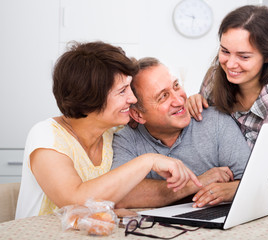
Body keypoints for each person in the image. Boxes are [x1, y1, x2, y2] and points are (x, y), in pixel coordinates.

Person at [15, 42, 201, 219]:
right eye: (122, 91)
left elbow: (158, 111)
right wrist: (148, 161)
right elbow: (74, 201)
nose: (132, 99)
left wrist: (192, 102)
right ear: (90, 100)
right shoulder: (46, 136)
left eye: (130, 88)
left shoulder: (113, 131)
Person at [111, 57, 250, 209]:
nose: (179, 100)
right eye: (163, 96)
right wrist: (196, 183)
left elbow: (252, 182)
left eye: (176, 86)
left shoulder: (215, 121)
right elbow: (119, 195)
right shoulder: (125, 139)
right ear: (138, 115)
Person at [186, 5, 268, 179]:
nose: (231, 64)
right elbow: (203, 141)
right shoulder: (213, 79)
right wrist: (193, 106)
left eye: (244, 56)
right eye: (225, 51)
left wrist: (233, 190)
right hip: (220, 194)